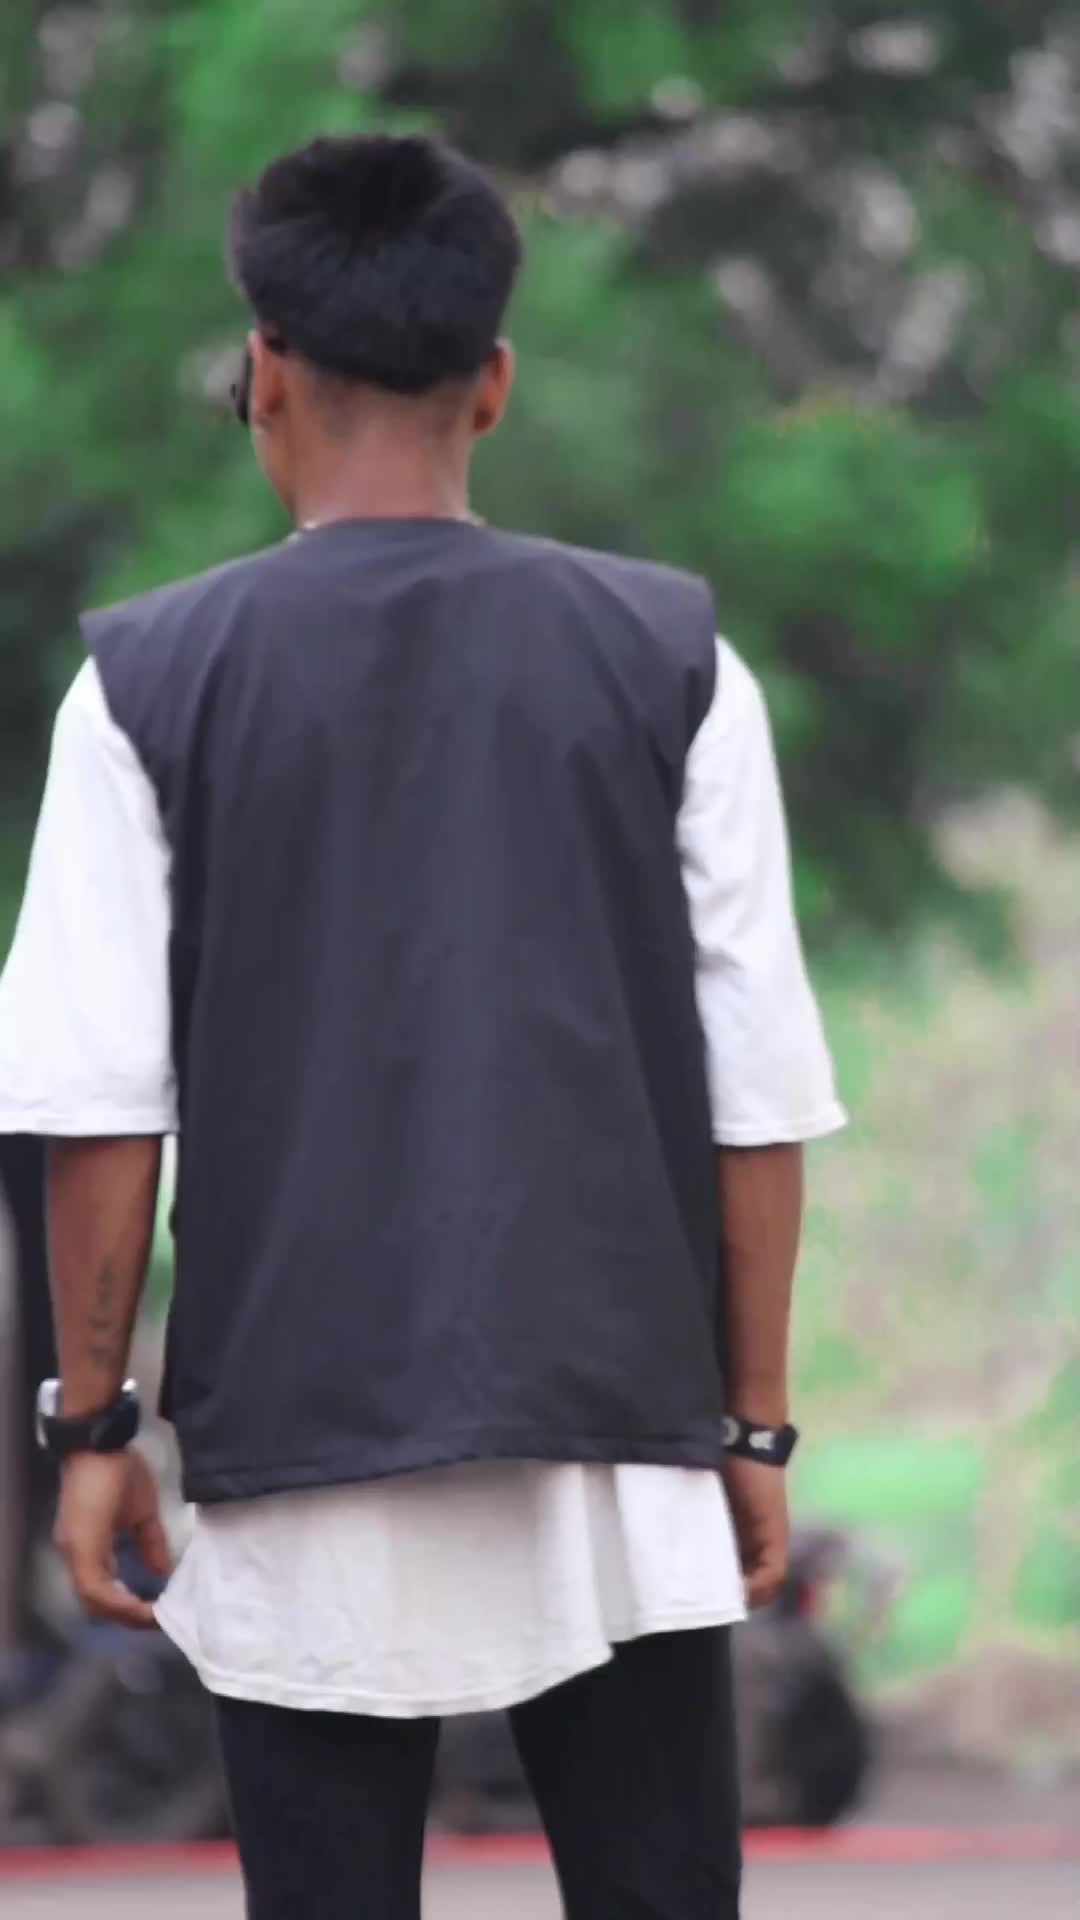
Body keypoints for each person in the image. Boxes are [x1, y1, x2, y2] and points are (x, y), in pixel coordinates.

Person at [0, 133, 845, 1919]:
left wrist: (92, 1431)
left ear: (265, 373)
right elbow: (755, 1095)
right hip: (617, 1440)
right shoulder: (679, 664)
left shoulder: (139, 685)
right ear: (497, 383)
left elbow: (97, 1109)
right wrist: (754, 1430)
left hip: (299, 1445)